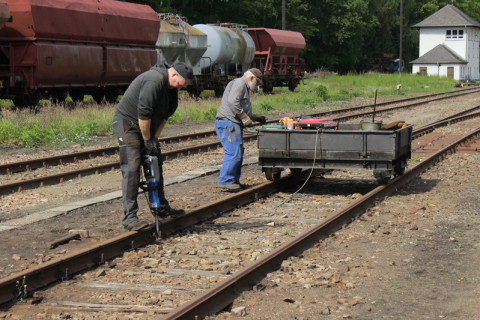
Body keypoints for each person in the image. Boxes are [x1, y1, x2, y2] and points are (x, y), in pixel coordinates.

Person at [112, 62, 194, 231]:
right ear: (173, 75)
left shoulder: (171, 90)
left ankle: (161, 206)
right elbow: (143, 113)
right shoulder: (154, 81)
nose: (180, 88)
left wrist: (153, 141)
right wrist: (147, 139)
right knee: (132, 166)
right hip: (129, 123)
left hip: (146, 127)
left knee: (155, 160)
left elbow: (164, 118)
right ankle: (130, 217)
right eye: (180, 84)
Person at [215, 68, 267, 190]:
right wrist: (244, 117)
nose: (257, 85)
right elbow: (233, 102)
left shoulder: (243, 85)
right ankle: (225, 181)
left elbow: (239, 105)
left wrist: (254, 117)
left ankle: (233, 181)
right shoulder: (240, 83)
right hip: (228, 122)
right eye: (258, 82)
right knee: (233, 152)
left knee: (238, 151)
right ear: (252, 78)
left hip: (231, 123)